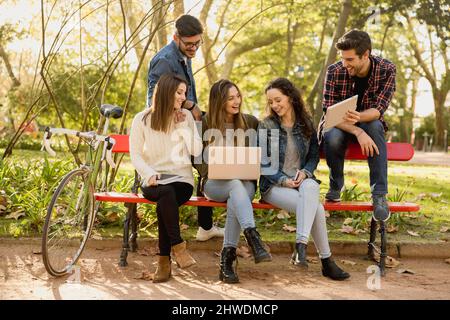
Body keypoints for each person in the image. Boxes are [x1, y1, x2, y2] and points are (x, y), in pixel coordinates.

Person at [258, 78, 349, 281]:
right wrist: (284, 180)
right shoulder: (266, 125)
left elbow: (313, 156)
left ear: (290, 97)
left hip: (302, 183)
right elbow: (262, 163)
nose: (274, 105)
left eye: (278, 100)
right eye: (271, 102)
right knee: (316, 208)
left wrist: (306, 172)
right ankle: (325, 261)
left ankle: (301, 248)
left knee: (310, 187)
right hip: (274, 186)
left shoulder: (305, 123)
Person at [146, 14, 224, 241]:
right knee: (204, 161)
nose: (194, 48)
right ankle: (204, 226)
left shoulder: (183, 56)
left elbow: (184, 94)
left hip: (187, 122)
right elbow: (156, 99)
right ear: (175, 37)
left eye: (197, 43)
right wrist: (190, 106)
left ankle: (206, 226)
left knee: (209, 152)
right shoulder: (164, 60)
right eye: (189, 44)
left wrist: (194, 110)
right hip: (170, 130)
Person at [194, 79, 272, 284]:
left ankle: (226, 262)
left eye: (238, 96)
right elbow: (196, 158)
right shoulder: (205, 123)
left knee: (236, 196)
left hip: (245, 183)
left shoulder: (250, 122)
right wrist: (214, 168)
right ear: (219, 101)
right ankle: (252, 237)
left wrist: (252, 165)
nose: (236, 101)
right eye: (230, 98)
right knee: (235, 188)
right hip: (214, 183)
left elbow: (263, 155)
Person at [130, 73, 203, 283]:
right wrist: (149, 173)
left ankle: (164, 261)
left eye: (184, 93)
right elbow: (135, 155)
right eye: (179, 92)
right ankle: (177, 248)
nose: (183, 97)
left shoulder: (186, 117)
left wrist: (181, 127)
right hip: (154, 179)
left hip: (181, 179)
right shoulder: (142, 119)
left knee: (167, 195)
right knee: (164, 193)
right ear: (166, 91)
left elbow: (197, 150)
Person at [319, 29, 396, 222]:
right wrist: (358, 131)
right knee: (333, 136)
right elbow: (329, 112)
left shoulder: (387, 70)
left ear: (366, 55)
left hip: (369, 122)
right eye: (343, 59)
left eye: (350, 60)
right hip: (338, 124)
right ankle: (335, 186)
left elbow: (379, 109)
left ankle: (379, 195)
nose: (345, 64)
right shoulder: (334, 71)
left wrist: (360, 119)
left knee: (376, 126)